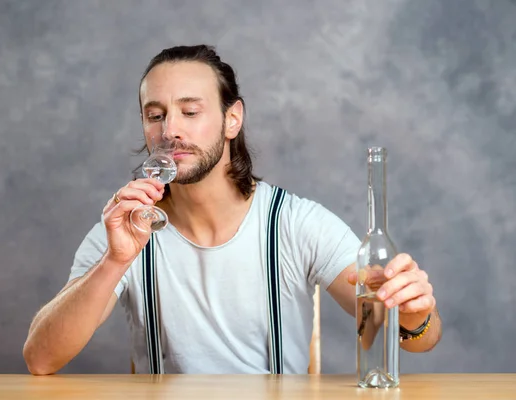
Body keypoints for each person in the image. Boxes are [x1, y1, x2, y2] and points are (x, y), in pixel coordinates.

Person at [23, 44, 442, 375]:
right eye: (155, 115)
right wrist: (114, 261)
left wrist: (415, 313)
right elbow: (41, 359)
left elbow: (410, 337)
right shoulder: (125, 229)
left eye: (190, 111)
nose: (170, 130)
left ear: (232, 119)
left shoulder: (295, 224)